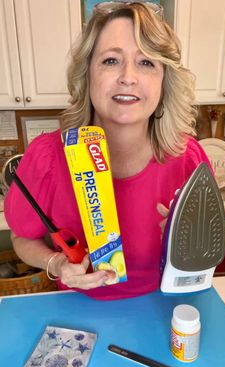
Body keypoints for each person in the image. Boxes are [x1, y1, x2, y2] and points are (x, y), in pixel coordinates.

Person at [4, 1, 211, 300]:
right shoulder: (47, 157)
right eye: (111, 60)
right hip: (79, 311)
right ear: (87, 74)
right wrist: (57, 264)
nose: (129, 76)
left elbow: (207, 255)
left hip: (165, 311)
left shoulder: (189, 159)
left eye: (147, 62)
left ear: (164, 81)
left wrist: (190, 245)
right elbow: (22, 237)